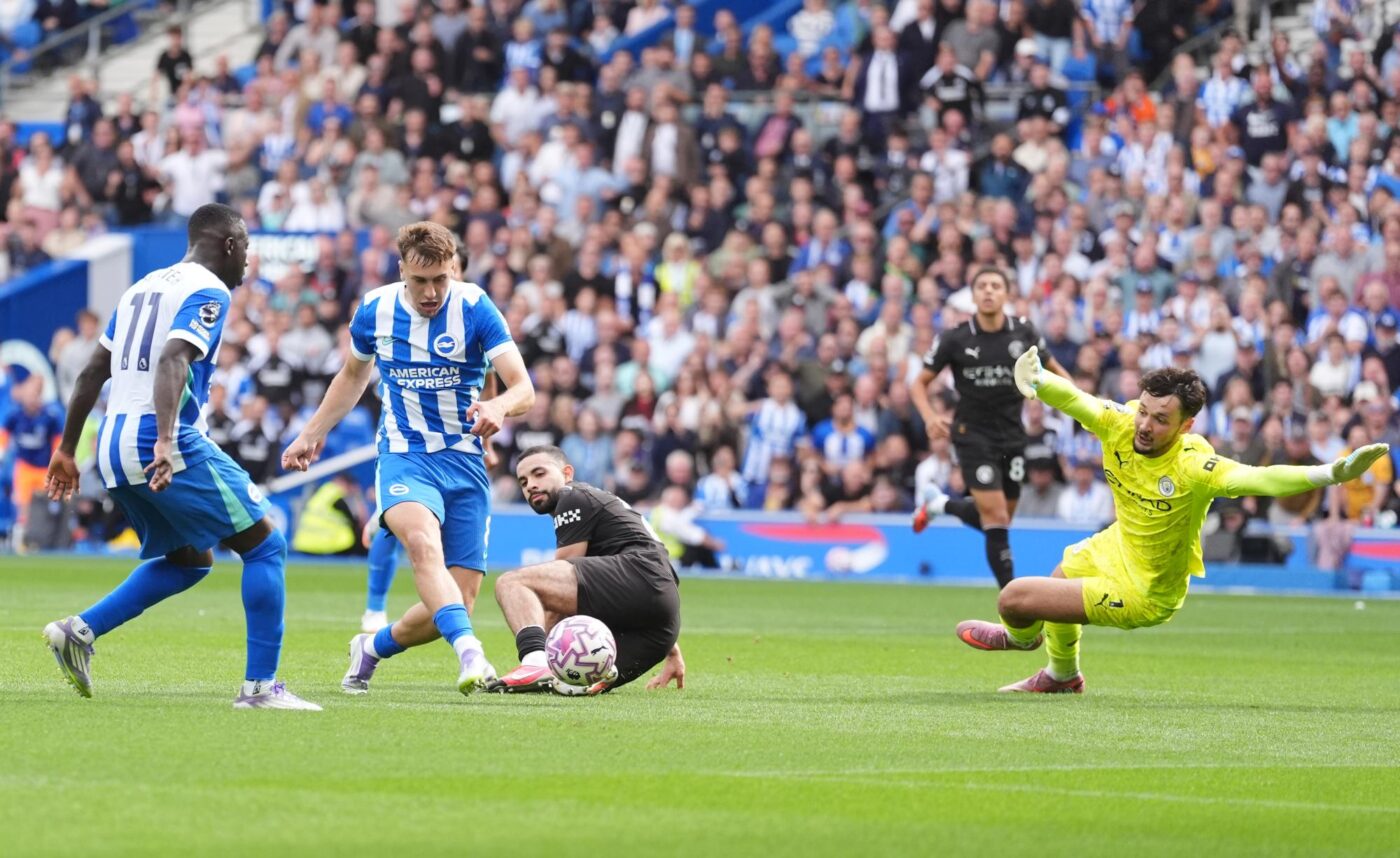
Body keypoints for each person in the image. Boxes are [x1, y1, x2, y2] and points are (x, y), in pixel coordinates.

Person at [955, 348, 1389, 693]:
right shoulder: (1120, 423)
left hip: (1147, 589)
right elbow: (1077, 401)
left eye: (1161, 419)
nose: (1144, 425)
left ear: (1186, 425)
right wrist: (1038, 381)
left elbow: (1262, 478)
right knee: (1059, 579)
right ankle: (1062, 676)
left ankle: (1022, 636)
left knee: (1015, 599)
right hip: (1117, 544)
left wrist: (1332, 473)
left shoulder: (1194, 466)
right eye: (1144, 410)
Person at [41, 203, 320, 710]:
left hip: (111, 442)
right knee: (265, 545)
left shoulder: (140, 288)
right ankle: (261, 689)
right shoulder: (207, 289)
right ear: (230, 245)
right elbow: (174, 357)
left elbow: (90, 373)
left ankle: (79, 631)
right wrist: (167, 441)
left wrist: (65, 449)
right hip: (159, 439)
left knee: (190, 560)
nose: (247, 264)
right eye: (248, 250)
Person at [285, 222, 535, 697]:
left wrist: (498, 407)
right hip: (404, 455)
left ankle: (373, 647)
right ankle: (471, 654)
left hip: (463, 462)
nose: (432, 292)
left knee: (457, 600)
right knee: (422, 544)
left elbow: (523, 387)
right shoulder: (375, 310)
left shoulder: (476, 307)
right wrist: (311, 433)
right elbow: (353, 376)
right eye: (420, 281)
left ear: (453, 269)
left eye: (441, 278)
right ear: (401, 270)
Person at [909, 267, 1071, 588]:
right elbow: (919, 384)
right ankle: (1013, 604)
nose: (988, 291)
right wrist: (930, 417)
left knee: (1000, 519)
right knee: (996, 518)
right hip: (972, 436)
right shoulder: (955, 338)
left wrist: (1082, 408)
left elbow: (1056, 372)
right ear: (973, 296)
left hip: (1013, 436)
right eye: (982, 286)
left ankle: (940, 504)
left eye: (996, 286)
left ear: (1006, 294)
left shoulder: (1023, 333)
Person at [481, 445, 685, 694]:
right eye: (523, 481)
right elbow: (656, 590)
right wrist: (671, 649)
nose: (530, 485)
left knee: (511, 583)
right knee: (566, 684)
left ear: (567, 473)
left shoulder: (572, 496)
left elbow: (556, 597)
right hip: (660, 627)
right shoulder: (594, 500)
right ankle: (546, 670)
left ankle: (534, 663)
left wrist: (538, 654)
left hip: (641, 576)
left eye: (539, 473)